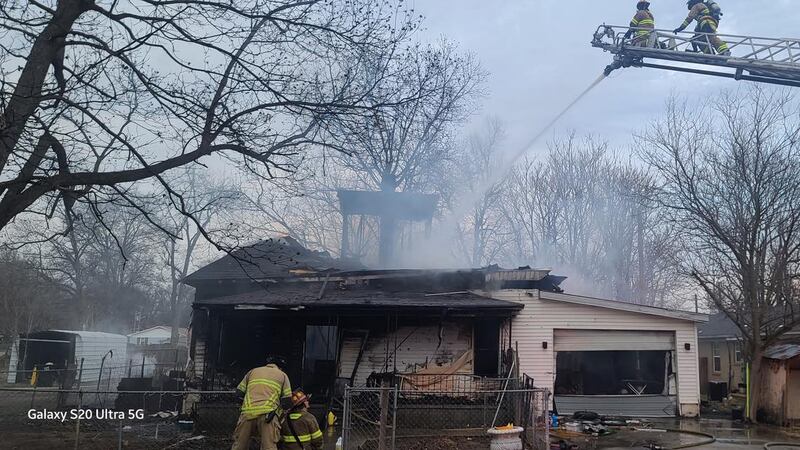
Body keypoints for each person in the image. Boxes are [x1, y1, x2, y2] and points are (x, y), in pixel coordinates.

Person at [232, 356, 293, 450]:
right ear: (280, 367)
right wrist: (280, 415)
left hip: (247, 413)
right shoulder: (282, 375)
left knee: (239, 445)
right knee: (269, 446)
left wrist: (245, 406)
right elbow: (287, 401)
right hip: (268, 415)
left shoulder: (252, 371)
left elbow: (238, 394)